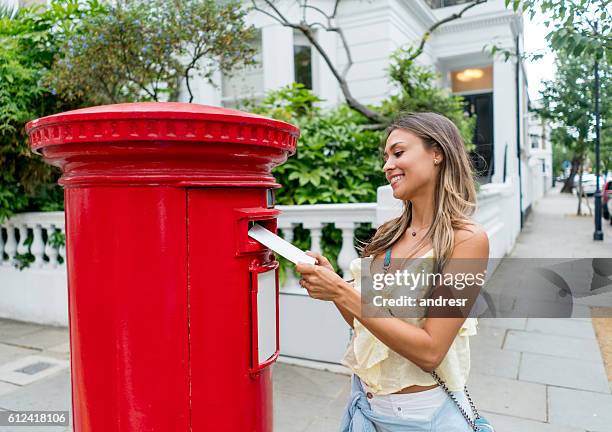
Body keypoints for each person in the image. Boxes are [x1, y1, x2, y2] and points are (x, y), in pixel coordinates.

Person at [295, 112, 490, 432]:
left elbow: (430, 351)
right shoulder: (387, 233)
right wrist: (335, 289)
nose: (387, 165)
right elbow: (367, 325)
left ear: (437, 153)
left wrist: (343, 292)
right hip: (367, 410)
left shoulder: (466, 241)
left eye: (398, 153)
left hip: (423, 419)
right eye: (386, 157)